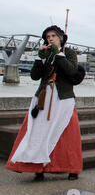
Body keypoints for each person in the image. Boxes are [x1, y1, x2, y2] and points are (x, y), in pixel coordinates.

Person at [5, 25, 82, 181]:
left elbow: (71, 71)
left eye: (53, 35)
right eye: (47, 37)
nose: (50, 39)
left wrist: (58, 54)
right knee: (38, 132)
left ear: (60, 37)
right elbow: (35, 76)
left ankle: (71, 168)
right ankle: (38, 168)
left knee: (65, 132)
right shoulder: (45, 54)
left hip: (63, 98)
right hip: (43, 97)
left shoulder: (69, 53)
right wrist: (40, 57)